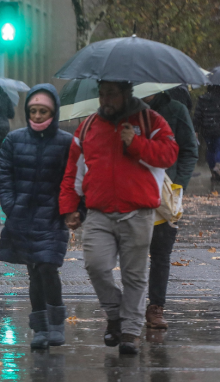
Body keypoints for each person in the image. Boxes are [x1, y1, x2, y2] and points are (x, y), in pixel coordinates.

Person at [60, 81, 178, 355]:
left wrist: (135, 143)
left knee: (134, 276)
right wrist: (70, 207)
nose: (104, 99)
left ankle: (130, 332)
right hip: (99, 211)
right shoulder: (89, 125)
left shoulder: (151, 120)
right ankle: (115, 314)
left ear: (126, 93)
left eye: (110, 94)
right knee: (95, 266)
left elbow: (169, 155)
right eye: (101, 94)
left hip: (138, 211)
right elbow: (73, 169)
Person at [0, 84, 75, 350]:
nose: (38, 115)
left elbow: (75, 177)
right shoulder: (14, 140)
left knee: (47, 267)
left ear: (53, 112)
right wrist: (10, 204)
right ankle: (40, 328)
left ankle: (56, 323)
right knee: (34, 272)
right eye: (34, 110)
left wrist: (72, 210)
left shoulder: (66, 142)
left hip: (53, 217)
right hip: (23, 217)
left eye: (43, 111)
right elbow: (4, 173)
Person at [141, 91, 199, 330]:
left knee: (160, 253)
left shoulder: (175, 110)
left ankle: (156, 307)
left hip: (166, 194)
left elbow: (189, 149)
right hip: (132, 192)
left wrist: (178, 185)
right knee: (128, 253)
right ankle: (127, 308)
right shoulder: (126, 112)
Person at [194, 85, 220, 184]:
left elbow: (197, 115)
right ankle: (218, 166)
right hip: (218, 129)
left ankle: (213, 172)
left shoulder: (203, 99)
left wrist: (196, 129)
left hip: (206, 129)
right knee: (219, 147)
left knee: (210, 149)